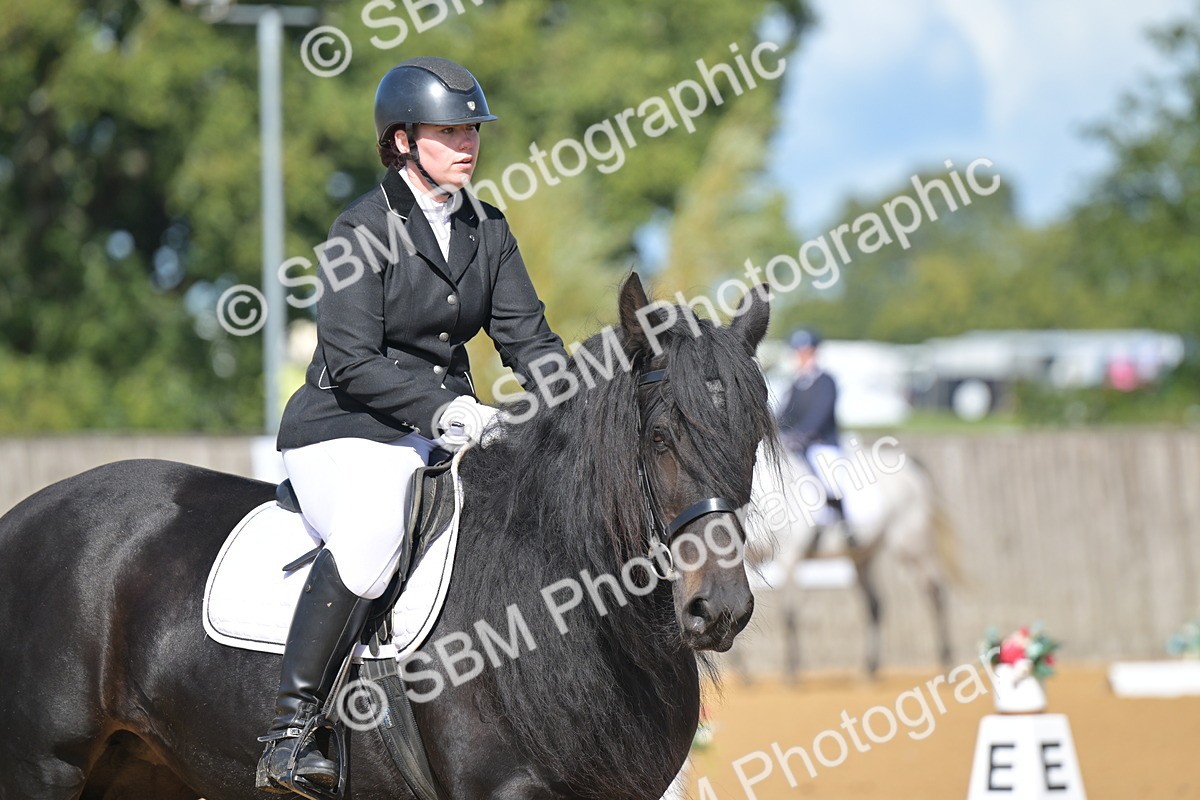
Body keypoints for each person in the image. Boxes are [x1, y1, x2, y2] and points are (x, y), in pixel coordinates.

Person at [255, 56, 567, 795]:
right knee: (373, 534)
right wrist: (445, 410)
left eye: (472, 131)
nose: (467, 144)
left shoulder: (488, 229)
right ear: (402, 140)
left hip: (437, 432)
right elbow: (352, 361)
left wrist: (582, 403)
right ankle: (292, 731)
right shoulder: (360, 229)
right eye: (448, 131)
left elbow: (530, 341)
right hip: (342, 429)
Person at [776, 328, 851, 536]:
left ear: (814, 352)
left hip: (822, 443)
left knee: (830, 479)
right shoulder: (796, 384)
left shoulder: (826, 381)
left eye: (806, 352)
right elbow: (786, 413)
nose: (801, 357)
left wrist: (801, 433)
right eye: (798, 353)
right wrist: (774, 430)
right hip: (798, 445)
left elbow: (821, 413)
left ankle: (844, 523)